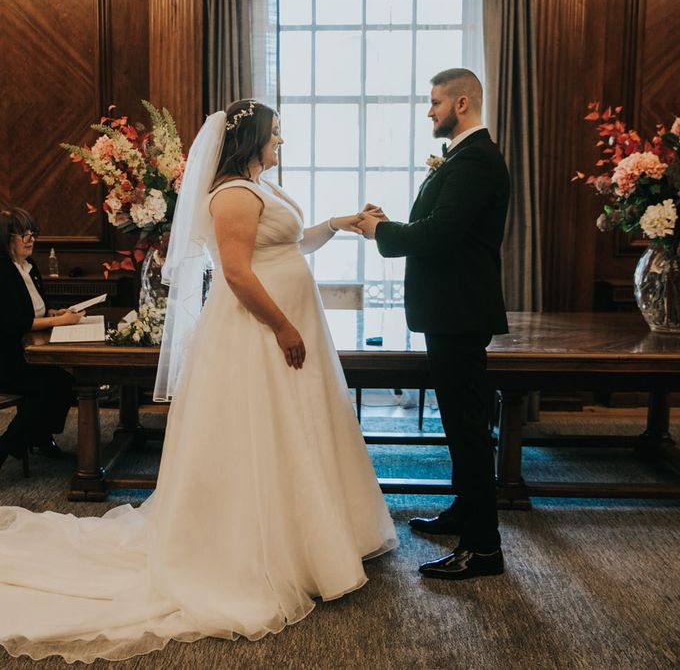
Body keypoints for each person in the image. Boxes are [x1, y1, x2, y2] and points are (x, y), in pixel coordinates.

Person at [0, 100, 396, 663]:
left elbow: (291, 244)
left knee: (299, 428)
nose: (281, 141)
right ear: (252, 138)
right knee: (261, 430)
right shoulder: (232, 194)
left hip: (286, 324)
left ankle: (317, 533)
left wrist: (338, 224)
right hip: (258, 332)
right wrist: (282, 324)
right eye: (275, 134)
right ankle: (262, 545)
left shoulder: (263, 188)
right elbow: (236, 273)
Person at [355, 68, 510, 580]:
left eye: (435, 102)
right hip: (452, 311)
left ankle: (484, 549)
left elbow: (440, 236)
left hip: (459, 313)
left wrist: (382, 230)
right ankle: (464, 512)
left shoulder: (475, 160)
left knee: (467, 430)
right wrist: (390, 226)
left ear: (461, 102)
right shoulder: (465, 158)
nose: (429, 112)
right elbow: (444, 229)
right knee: (458, 425)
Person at [0, 208, 83, 469]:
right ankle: (8, 446)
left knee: (66, 383)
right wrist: (58, 322)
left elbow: (36, 308)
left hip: (29, 352)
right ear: (5, 237)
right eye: (23, 233)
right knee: (44, 388)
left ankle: (39, 435)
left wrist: (53, 312)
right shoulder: (3, 270)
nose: (30, 238)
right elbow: (15, 322)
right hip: (7, 356)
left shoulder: (31, 266)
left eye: (32, 232)